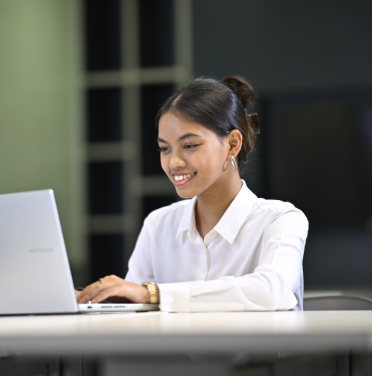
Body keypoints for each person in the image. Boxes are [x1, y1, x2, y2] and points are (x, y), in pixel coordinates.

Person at [77, 76, 308, 312]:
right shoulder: (158, 224)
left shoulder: (281, 219)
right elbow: (133, 306)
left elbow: (272, 291)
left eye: (189, 146)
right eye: (165, 149)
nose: (174, 163)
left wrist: (154, 293)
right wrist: (96, 300)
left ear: (232, 144)